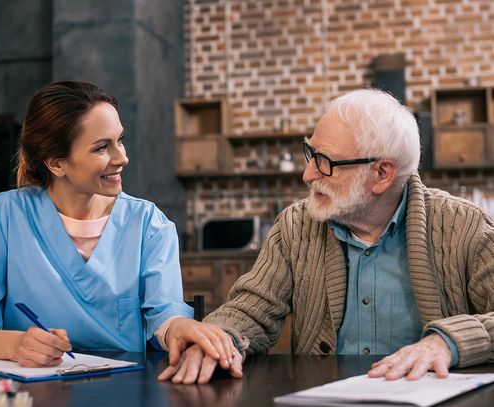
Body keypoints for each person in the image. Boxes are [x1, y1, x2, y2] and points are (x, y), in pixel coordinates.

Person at [158, 88, 494, 384]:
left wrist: (447, 342)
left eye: (325, 162)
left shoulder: (464, 227)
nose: (307, 174)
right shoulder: (295, 227)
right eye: (310, 154)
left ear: (381, 174)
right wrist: (218, 341)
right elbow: (250, 310)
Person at [0, 80, 194, 367]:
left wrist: (181, 328)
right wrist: (16, 345)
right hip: (32, 388)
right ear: (56, 163)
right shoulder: (0, 217)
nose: (122, 157)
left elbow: (166, 316)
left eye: (120, 140)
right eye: (102, 147)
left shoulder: (149, 224)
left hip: (122, 390)